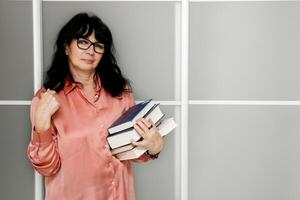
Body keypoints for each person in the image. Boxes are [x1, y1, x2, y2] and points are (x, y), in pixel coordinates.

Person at [27, 12, 164, 200]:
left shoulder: (120, 91)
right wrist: (41, 125)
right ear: (66, 47)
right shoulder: (46, 99)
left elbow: (129, 151)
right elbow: (46, 166)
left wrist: (153, 148)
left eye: (98, 45)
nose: (90, 51)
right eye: (83, 42)